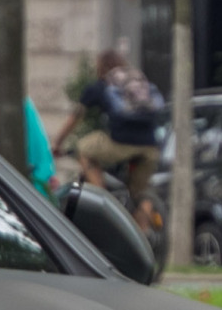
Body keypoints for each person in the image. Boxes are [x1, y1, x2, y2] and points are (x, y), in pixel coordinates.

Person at [66, 47, 163, 203]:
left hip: (121, 144)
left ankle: (104, 200)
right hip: (150, 146)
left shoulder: (101, 86)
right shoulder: (137, 83)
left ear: (101, 67)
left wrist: (57, 144)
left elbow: (74, 118)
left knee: (83, 149)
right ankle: (143, 226)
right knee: (140, 194)